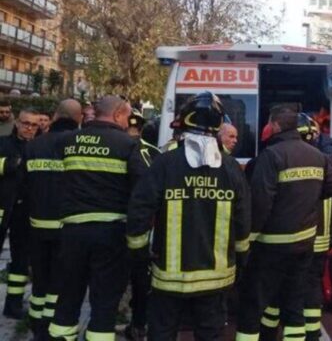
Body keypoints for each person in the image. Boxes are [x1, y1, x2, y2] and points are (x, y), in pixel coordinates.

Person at [127, 92, 251, 341]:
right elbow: (243, 221)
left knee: (162, 333)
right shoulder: (231, 170)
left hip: (168, 279)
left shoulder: (164, 164)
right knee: (210, 335)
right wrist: (240, 260)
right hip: (216, 279)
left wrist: (139, 255)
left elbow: (139, 211)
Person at [237, 104, 332, 341]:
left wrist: (248, 240)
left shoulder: (271, 156)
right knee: (295, 305)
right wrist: (307, 199)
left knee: (253, 304)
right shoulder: (318, 156)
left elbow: (261, 204)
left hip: (271, 245)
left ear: (274, 125)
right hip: (304, 244)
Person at [49, 96, 149, 341]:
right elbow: (142, 191)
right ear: (116, 115)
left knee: (67, 298)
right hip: (110, 235)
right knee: (104, 303)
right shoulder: (127, 145)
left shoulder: (67, 141)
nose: (128, 122)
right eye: (126, 116)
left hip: (71, 232)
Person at [22, 99, 82, 339]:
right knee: (61, 282)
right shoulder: (76, 144)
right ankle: (53, 323)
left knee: (39, 282)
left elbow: (24, 187)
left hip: (36, 225)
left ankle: (36, 324)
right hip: (66, 228)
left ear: (55, 116)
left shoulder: (34, 146)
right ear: (78, 119)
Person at [124, 110, 160, 341]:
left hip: (122, 223)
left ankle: (135, 321)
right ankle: (139, 322)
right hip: (146, 225)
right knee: (141, 278)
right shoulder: (155, 153)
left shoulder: (120, 149)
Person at [0, 108, 39, 319]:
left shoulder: (38, 147)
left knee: (20, 260)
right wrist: (9, 164)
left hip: (24, 211)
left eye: (34, 125)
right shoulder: (3, 144)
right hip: (2, 208)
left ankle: (13, 305)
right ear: (17, 123)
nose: (29, 128)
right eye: (26, 123)